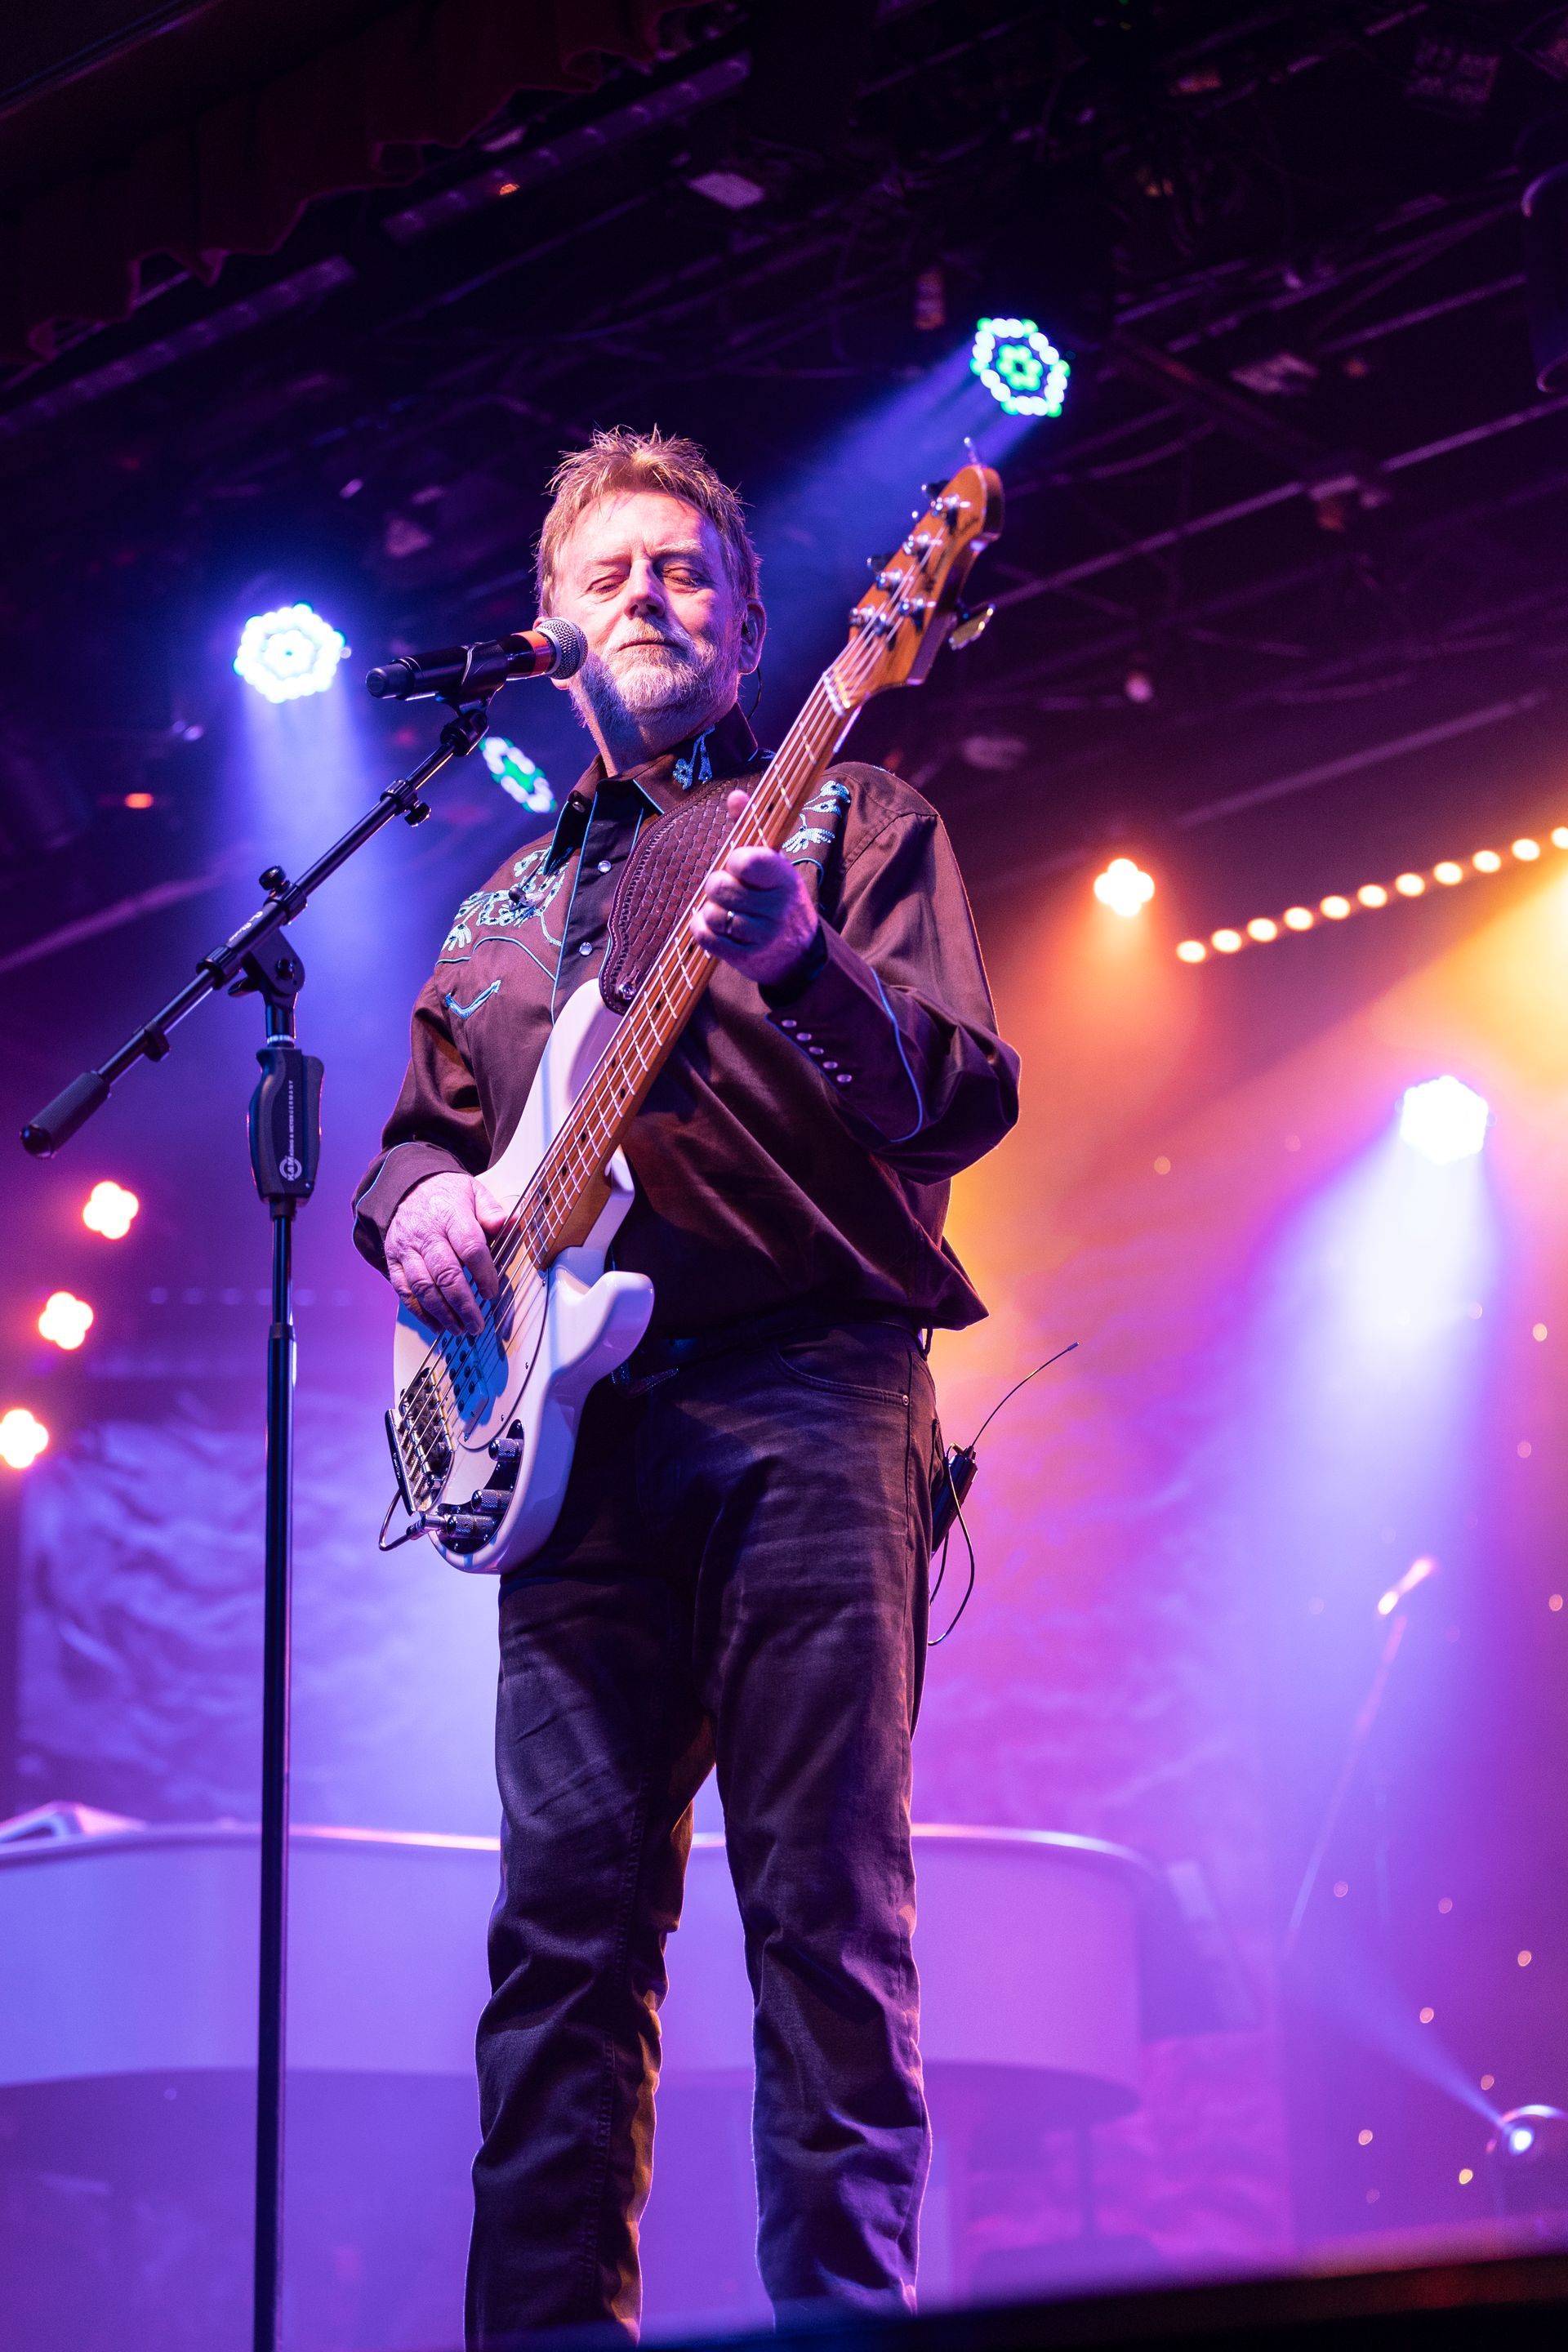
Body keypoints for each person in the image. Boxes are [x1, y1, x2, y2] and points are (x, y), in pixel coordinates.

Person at [353, 428, 1020, 2345]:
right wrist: (412, 1213)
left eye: (690, 575)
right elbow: (418, 1147)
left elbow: (956, 1098)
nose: (653, 596)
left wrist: (808, 967)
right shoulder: (489, 912)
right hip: (571, 1448)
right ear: (546, 628)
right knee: (558, 1956)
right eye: (613, 575)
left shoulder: (850, 813)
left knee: (824, 1919)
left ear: (747, 634)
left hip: (807, 1395)